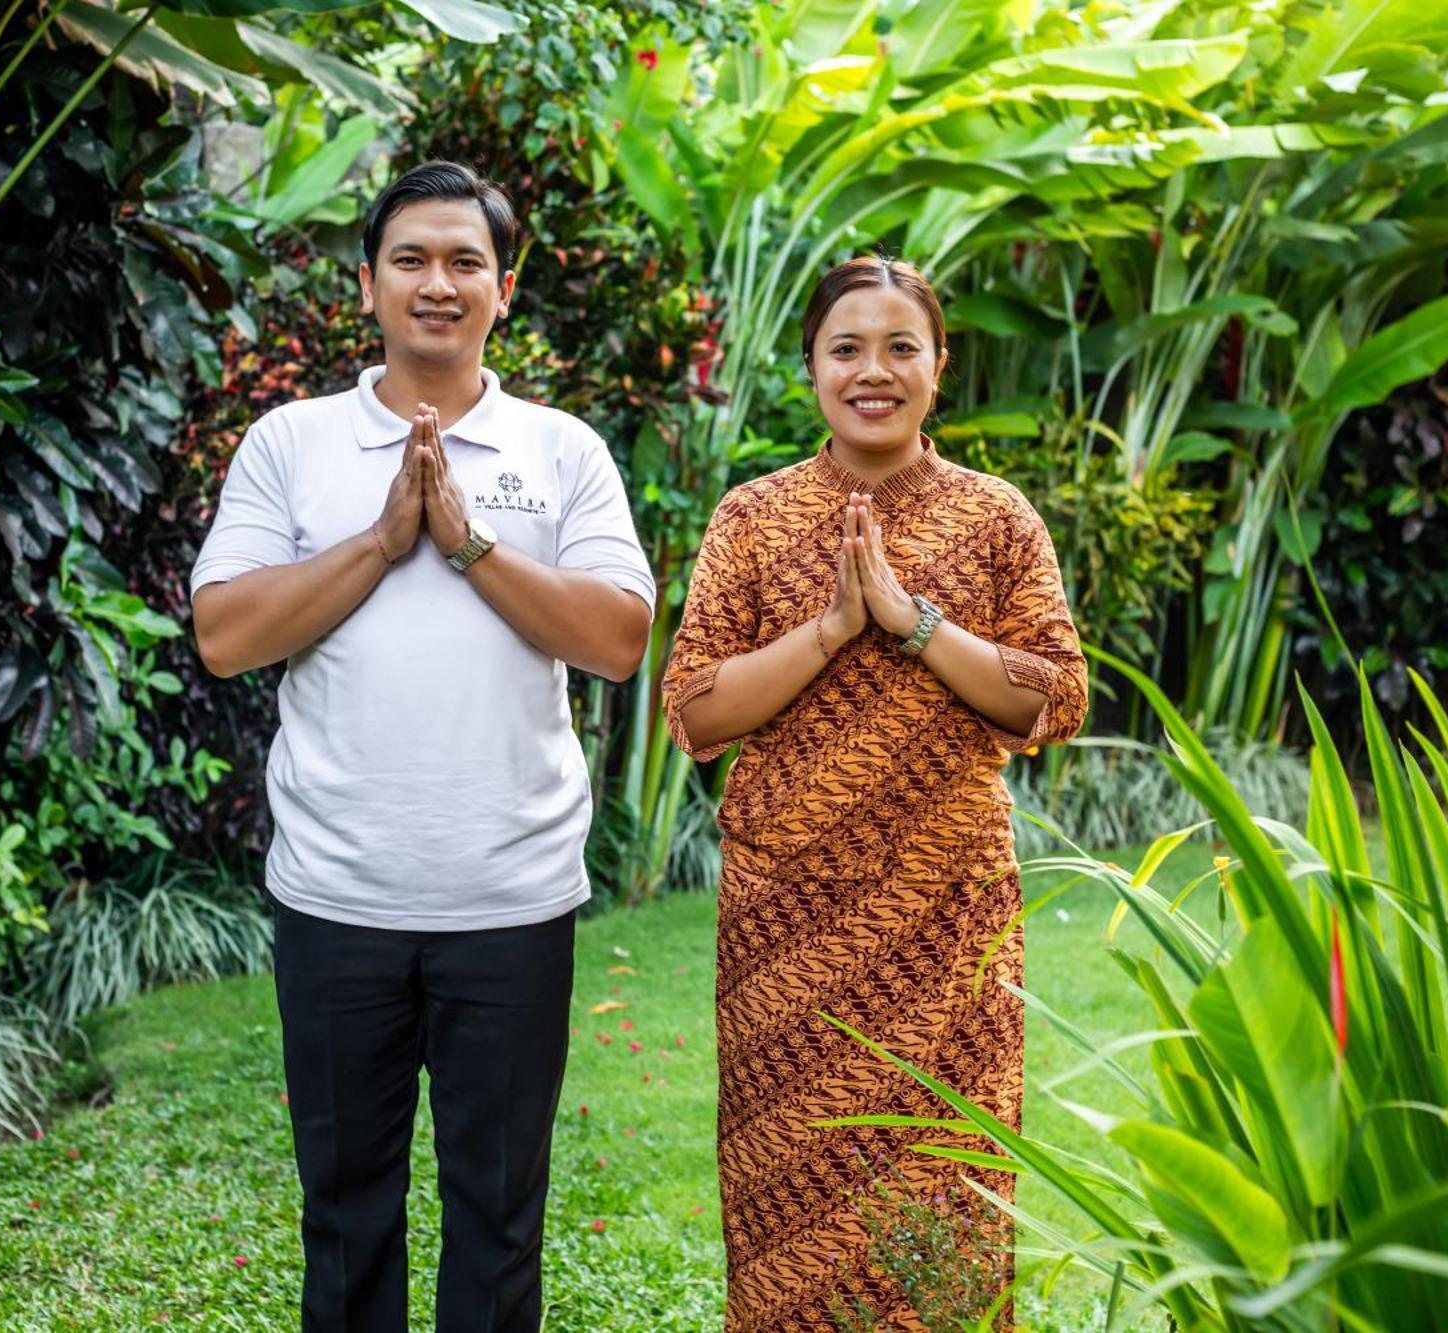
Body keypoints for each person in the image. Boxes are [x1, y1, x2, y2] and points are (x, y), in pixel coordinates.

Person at [188, 160, 654, 1332]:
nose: (436, 284)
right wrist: (384, 539)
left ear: (504, 287)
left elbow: (617, 638)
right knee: (344, 1215)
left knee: (499, 1218)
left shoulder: (561, 451)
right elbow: (225, 633)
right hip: (337, 900)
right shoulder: (290, 443)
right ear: (366, 286)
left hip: (510, 901)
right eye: (410, 260)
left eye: (463, 262)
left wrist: (473, 546)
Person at [661, 255, 1088, 1329]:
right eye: (847, 347)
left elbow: (1051, 700)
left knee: (946, 1198)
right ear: (810, 367)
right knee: (787, 1221)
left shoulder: (995, 519)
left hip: (949, 919)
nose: (873, 370)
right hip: (786, 930)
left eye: (900, 347)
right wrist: (830, 630)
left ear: (937, 367)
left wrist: (913, 623)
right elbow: (697, 713)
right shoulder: (752, 518)